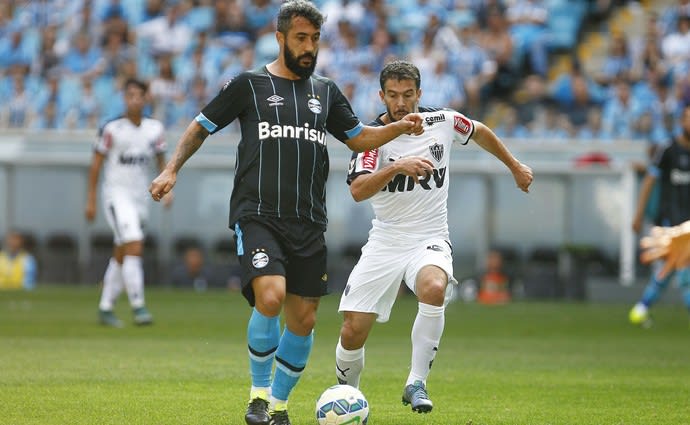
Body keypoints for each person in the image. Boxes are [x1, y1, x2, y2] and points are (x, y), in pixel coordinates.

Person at [147, 2, 424, 424]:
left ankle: (278, 406)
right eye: (301, 38)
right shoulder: (249, 84)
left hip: (309, 220)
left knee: (305, 318)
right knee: (271, 295)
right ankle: (257, 397)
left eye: (314, 39)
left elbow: (359, 139)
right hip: (257, 213)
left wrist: (398, 128)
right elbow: (201, 125)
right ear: (280, 38)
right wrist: (171, 168)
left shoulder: (326, 91)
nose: (309, 47)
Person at [334, 60, 533, 413]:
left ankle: (416, 383)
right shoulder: (370, 139)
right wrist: (396, 166)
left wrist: (514, 166)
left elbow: (480, 130)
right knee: (352, 329)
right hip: (386, 240)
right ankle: (348, 399)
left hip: (429, 236)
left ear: (419, 94)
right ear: (381, 96)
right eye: (393, 96)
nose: (401, 103)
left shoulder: (441, 122)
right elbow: (358, 190)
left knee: (434, 288)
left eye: (408, 95)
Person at [85, 78, 171, 328]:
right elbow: (95, 165)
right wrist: (90, 200)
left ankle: (105, 307)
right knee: (134, 244)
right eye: (130, 95)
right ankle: (138, 305)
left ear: (146, 98)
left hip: (140, 198)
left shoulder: (154, 129)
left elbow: (161, 162)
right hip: (116, 196)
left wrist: (169, 190)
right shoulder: (112, 128)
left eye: (139, 95)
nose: (134, 99)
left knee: (122, 252)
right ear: (125, 98)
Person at [629, 105, 690, 327]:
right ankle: (641, 307)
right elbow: (649, 181)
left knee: (671, 268)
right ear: (682, 122)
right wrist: (639, 214)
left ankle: (641, 307)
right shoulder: (668, 149)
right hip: (671, 222)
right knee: (684, 271)